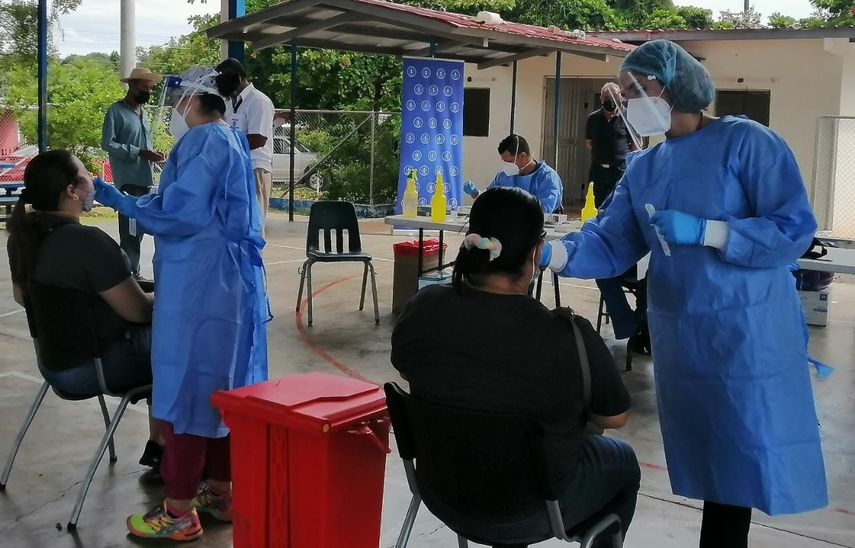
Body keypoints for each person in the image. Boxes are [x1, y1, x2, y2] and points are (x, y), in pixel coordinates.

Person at [539, 40, 828, 548]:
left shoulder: (747, 143)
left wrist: (710, 232)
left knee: (743, 457)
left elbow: (792, 229)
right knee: (710, 455)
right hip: (683, 335)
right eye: (623, 93)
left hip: (746, 331)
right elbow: (611, 239)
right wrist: (550, 254)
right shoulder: (645, 167)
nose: (628, 102)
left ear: (676, 87)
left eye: (637, 89)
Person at [392, 187, 639, 548]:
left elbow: (406, 368)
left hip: (442, 491)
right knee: (624, 463)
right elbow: (613, 417)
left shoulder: (422, 307)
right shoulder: (566, 334)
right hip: (532, 506)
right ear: (537, 254)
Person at [94, 68, 269, 542]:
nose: (170, 111)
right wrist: (139, 201)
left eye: (174, 103)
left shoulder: (204, 141)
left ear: (192, 101)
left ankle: (177, 511)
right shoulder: (230, 139)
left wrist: (123, 202)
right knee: (222, 389)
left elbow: (181, 212)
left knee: (189, 388)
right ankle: (220, 492)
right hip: (228, 285)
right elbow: (189, 200)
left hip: (201, 284)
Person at [5, 149, 163, 471]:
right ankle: (165, 449)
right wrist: (169, 297)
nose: (94, 182)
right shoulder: (88, 242)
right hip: (95, 367)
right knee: (178, 351)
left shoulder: (24, 237)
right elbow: (139, 312)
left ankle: (160, 447)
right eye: (86, 175)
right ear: (71, 190)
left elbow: (24, 298)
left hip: (53, 364)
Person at [101, 67, 164, 280]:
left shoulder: (144, 114)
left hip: (145, 179)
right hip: (128, 181)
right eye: (144, 87)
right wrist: (138, 152)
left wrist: (152, 154)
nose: (147, 91)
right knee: (129, 230)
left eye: (150, 88)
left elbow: (144, 144)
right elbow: (108, 143)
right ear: (132, 85)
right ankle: (128, 274)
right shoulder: (116, 111)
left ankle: (131, 271)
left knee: (138, 230)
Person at [215, 58, 275, 232]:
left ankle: (255, 259)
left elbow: (258, 139)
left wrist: (227, 145)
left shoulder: (259, 101)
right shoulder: (229, 102)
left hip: (255, 168)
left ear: (239, 77)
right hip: (234, 167)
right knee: (237, 222)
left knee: (253, 222)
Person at [463, 135, 563, 214]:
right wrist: (476, 193)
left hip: (538, 227)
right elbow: (491, 196)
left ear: (523, 156)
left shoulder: (547, 178)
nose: (506, 166)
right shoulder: (504, 176)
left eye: (509, 161)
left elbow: (543, 210)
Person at [585, 82, 634, 208]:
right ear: (601, 99)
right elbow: (589, 142)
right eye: (607, 99)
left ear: (620, 98)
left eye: (614, 99)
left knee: (618, 205)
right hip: (598, 170)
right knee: (597, 205)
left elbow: (635, 145)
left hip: (619, 170)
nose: (611, 102)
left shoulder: (628, 117)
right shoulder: (593, 118)